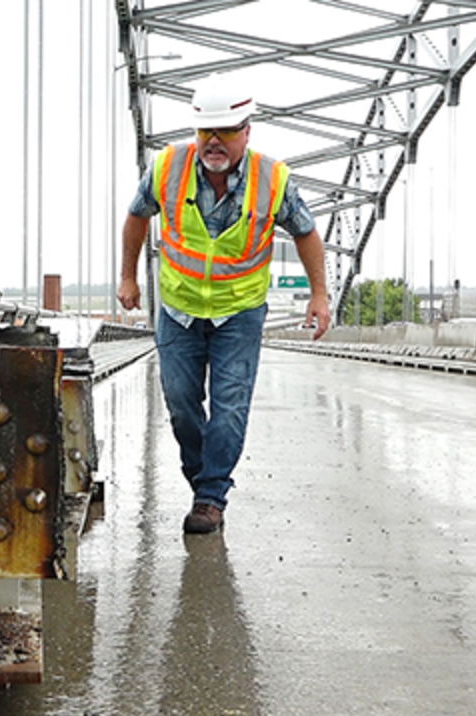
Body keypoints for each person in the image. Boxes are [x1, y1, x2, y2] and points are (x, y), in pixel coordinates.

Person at [117, 73, 330, 534]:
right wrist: (128, 276)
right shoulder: (167, 167)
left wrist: (319, 294)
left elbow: (307, 233)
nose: (214, 140)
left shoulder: (272, 179)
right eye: (205, 130)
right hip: (179, 308)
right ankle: (204, 480)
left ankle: (210, 498)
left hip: (239, 311)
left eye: (227, 130)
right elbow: (136, 216)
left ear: (246, 131)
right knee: (181, 404)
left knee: (230, 406)